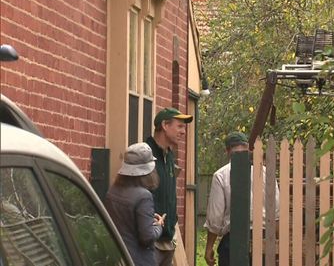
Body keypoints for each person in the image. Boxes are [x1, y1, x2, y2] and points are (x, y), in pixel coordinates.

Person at [204, 132, 279, 266]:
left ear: (227, 150)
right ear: (248, 149)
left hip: (233, 241)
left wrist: (209, 247)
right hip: (263, 239)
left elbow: (215, 217)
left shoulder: (221, 175)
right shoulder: (266, 173)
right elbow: (276, 211)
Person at [146, 107, 193, 266]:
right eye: (179, 126)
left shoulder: (169, 156)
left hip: (168, 238)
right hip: (150, 240)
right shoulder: (146, 154)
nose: (183, 131)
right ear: (165, 125)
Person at [104, 142, 165, 266]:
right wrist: (158, 226)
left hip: (117, 258)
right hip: (138, 260)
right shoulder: (144, 196)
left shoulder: (113, 190)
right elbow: (147, 237)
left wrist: (147, 219)